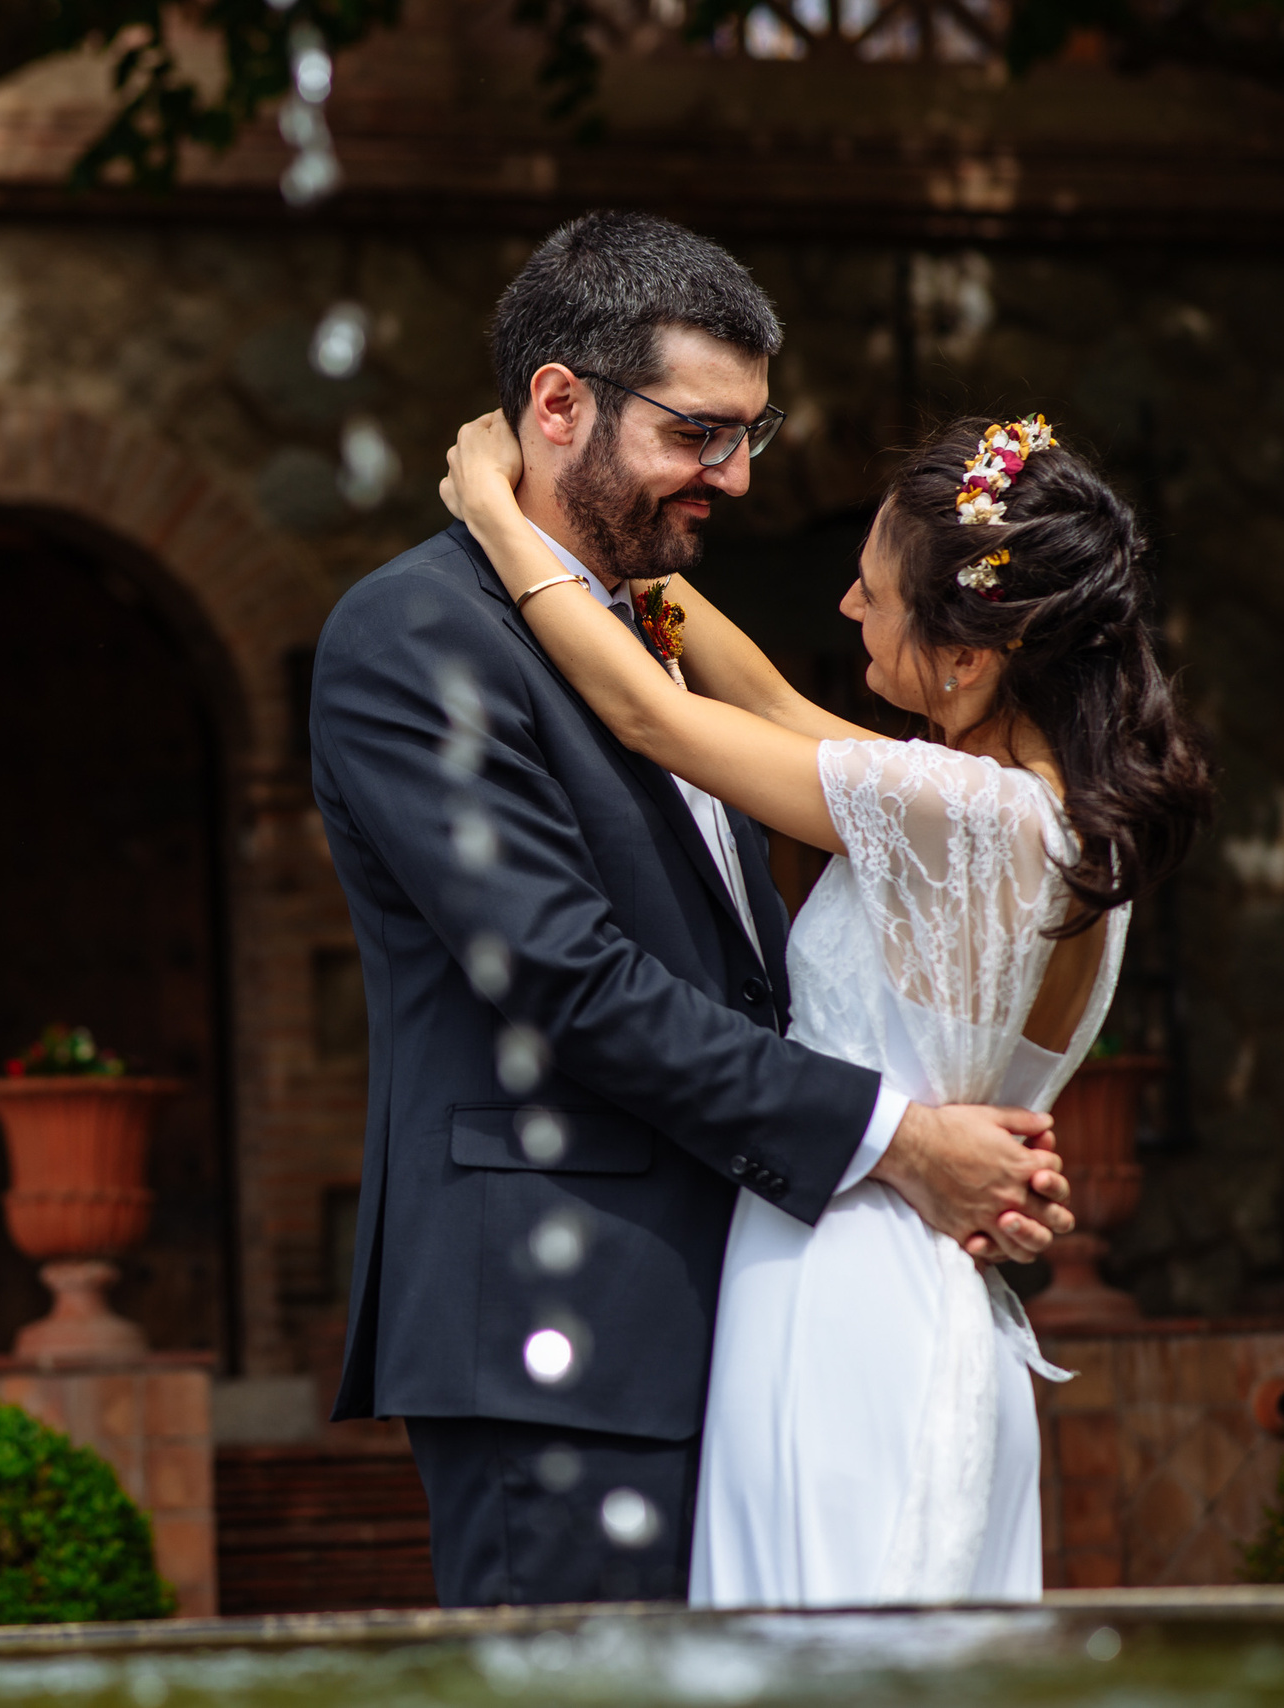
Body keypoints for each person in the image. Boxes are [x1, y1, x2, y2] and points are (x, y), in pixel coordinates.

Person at [306, 209, 1083, 1609]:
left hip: (752, 1313)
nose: (734, 474)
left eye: (748, 434)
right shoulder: (416, 637)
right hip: (562, 1328)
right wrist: (902, 1142)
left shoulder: (651, 635)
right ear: (558, 404)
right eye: (698, 433)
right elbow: (572, 981)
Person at [438, 398, 1214, 1601]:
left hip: (849, 1298)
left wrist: (497, 513)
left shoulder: (958, 814)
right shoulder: (1051, 826)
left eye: (873, 592)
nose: (847, 606)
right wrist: (625, 560)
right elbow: (775, 709)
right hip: (919, 1289)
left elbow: (653, 715)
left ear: (968, 655)